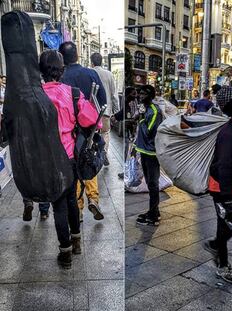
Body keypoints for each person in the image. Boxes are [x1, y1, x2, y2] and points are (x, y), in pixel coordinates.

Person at [38, 49, 99, 268]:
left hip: (47, 159)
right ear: (62, 70)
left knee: (58, 205)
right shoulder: (72, 94)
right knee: (72, 200)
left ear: (41, 70)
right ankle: (76, 243)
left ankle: (64, 253)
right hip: (70, 155)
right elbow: (94, 121)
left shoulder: (34, 95)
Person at [203, 92, 232, 285]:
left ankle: (215, 244)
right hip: (223, 188)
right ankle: (223, 266)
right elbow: (223, 165)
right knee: (225, 225)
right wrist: (226, 198)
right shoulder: (229, 133)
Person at [59, 41, 106, 222]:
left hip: (69, 131)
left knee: (75, 167)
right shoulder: (91, 73)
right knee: (89, 161)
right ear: (77, 55)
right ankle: (93, 198)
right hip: (89, 128)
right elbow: (102, 100)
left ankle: (77, 209)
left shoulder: (60, 77)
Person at [135, 85, 164, 226]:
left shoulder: (153, 111)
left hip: (151, 152)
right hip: (144, 151)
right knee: (150, 183)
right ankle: (154, 211)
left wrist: (140, 119)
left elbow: (149, 131)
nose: (141, 96)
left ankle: (153, 215)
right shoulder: (146, 109)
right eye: (140, 93)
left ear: (150, 96)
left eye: (144, 94)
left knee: (153, 183)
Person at [90, 52, 119, 167]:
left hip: (91, 112)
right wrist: (116, 113)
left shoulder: (90, 73)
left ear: (92, 62)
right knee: (105, 133)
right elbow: (114, 95)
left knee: (91, 133)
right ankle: (104, 153)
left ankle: (92, 155)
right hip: (105, 111)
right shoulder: (109, 74)